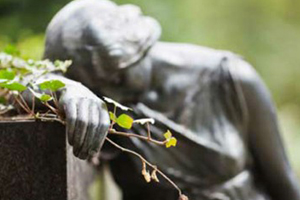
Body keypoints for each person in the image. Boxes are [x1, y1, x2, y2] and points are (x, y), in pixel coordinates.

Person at [42, 0, 300, 199]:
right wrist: (66, 88)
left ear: (138, 46)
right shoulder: (106, 105)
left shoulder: (232, 80)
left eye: (118, 78)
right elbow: (16, 86)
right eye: (96, 88)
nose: (113, 95)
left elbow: (284, 186)